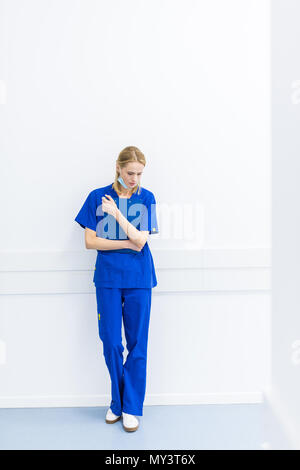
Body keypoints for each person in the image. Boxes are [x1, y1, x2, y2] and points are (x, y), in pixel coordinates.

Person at [74, 146, 159, 432]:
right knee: (111, 341)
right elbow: (90, 241)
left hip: (139, 279)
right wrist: (126, 243)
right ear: (118, 168)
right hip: (108, 279)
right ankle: (117, 400)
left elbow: (141, 240)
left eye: (139, 173)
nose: (134, 178)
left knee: (137, 344)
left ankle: (130, 407)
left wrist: (116, 214)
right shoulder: (96, 196)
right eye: (130, 172)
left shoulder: (147, 198)